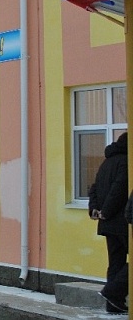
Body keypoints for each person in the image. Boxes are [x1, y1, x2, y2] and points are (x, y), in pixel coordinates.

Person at [89, 132, 128, 314]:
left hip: (107, 223)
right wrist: (106, 211)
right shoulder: (125, 162)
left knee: (115, 263)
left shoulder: (107, 162)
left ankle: (113, 304)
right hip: (122, 222)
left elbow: (94, 188)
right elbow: (119, 189)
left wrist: (95, 209)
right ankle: (112, 292)